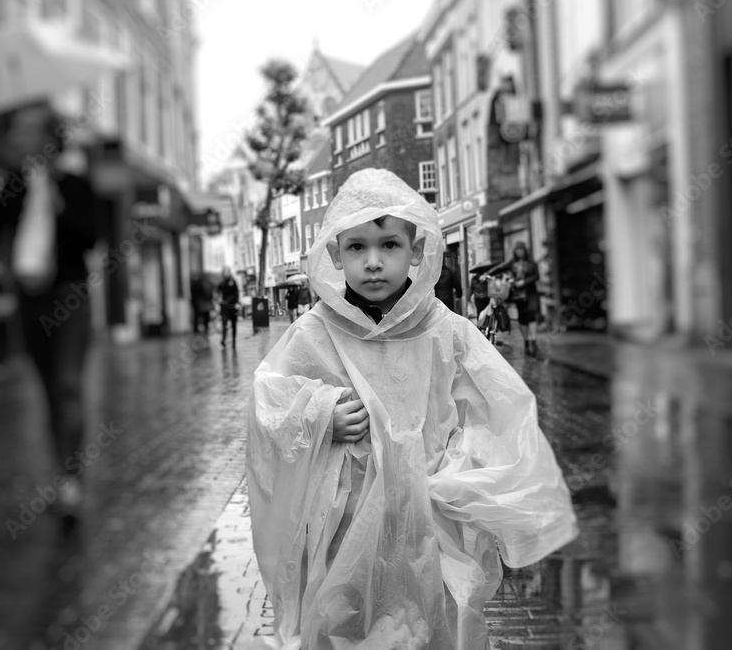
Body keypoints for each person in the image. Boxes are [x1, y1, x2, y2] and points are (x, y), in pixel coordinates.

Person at [246, 169, 578, 649]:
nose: (374, 262)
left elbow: (496, 412)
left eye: (389, 245)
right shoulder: (315, 334)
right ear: (335, 254)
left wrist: (463, 476)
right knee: (348, 623)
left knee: (430, 621)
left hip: (429, 525)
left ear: (416, 250)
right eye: (357, 247)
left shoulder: (446, 331)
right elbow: (269, 409)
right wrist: (320, 416)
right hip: (347, 529)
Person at [0, 103, 97, 516]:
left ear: (46, 138)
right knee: (48, 392)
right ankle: (63, 473)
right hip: (29, 299)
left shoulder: (75, 184)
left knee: (67, 385)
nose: (16, 138)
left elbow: (89, 238)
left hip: (69, 296)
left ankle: (72, 481)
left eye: (24, 131)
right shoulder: (15, 184)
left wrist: (56, 194)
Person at [487, 242, 541, 357]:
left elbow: (536, 276)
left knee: (532, 316)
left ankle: (533, 341)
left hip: (531, 292)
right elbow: (500, 268)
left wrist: (524, 282)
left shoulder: (532, 263)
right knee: (522, 319)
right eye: (517, 250)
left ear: (525, 251)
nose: (519, 252)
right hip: (518, 294)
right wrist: (488, 273)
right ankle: (526, 342)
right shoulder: (512, 263)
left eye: (521, 250)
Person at [216, 267, 239, 347]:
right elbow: (217, 292)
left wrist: (236, 303)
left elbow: (237, 292)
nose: (225, 274)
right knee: (224, 324)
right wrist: (219, 299)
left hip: (233, 306)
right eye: (224, 272)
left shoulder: (233, 281)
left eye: (227, 272)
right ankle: (223, 340)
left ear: (229, 272)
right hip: (225, 306)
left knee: (234, 324)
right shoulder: (221, 282)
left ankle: (234, 341)